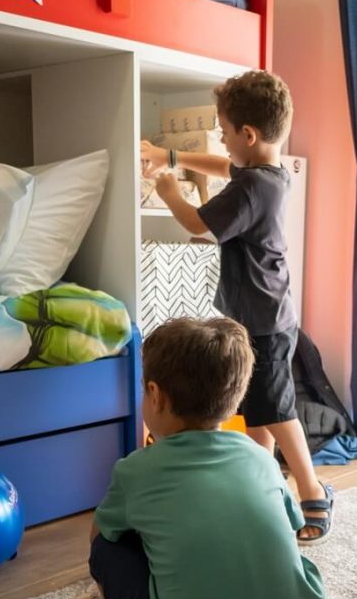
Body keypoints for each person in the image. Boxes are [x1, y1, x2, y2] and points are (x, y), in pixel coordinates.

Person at [89, 317, 329, 599]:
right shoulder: (261, 458)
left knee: (106, 551)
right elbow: (288, 528)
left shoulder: (136, 472)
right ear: (234, 399)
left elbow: (101, 534)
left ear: (154, 396)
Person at [141, 69, 335, 542]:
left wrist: (170, 189)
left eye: (225, 131)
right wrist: (170, 155)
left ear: (248, 134)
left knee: (277, 412)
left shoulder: (253, 187)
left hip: (264, 321)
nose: (222, 141)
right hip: (258, 316)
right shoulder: (268, 173)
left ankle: (313, 493)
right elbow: (221, 165)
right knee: (257, 415)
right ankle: (264, 493)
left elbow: (198, 226)